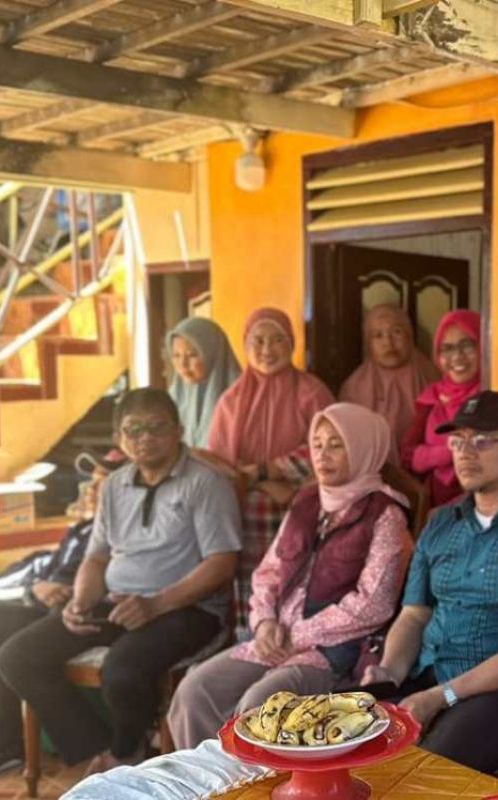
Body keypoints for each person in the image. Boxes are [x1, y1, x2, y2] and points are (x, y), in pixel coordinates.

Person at [0, 388, 242, 774]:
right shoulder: (114, 486)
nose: (145, 437)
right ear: (119, 439)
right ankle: (102, 750)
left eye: (156, 427)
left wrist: (157, 604)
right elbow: (96, 556)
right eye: (134, 429)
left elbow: (222, 563)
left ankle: (127, 752)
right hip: (117, 601)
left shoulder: (205, 484)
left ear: (178, 430)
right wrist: (80, 601)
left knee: (122, 669)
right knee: (17, 656)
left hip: (186, 609)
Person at [356, 390, 498, 774]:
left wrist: (439, 697)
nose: (465, 452)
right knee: (329, 737)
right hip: (432, 676)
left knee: (421, 774)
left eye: (481, 441)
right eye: (457, 441)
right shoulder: (441, 523)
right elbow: (414, 615)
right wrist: (390, 672)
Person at [166, 403, 413, 749]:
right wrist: (265, 622)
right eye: (317, 444)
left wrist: (297, 634)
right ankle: (212, 788)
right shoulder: (307, 501)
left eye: (336, 444)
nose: (323, 455)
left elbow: (373, 604)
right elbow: (269, 570)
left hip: (333, 649)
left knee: (261, 705)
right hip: (274, 638)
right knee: (195, 691)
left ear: (363, 448)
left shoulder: (385, 515)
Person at [0, 470, 107, 779]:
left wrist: (69, 594)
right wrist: (36, 585)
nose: (91, 489)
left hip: (65, 613)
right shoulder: (79, 530)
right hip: (35, 602)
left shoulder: (117, 533)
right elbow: (14, 573)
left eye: (102, 482)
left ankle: (3, 743)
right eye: (91, 482)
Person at [203, 307, 336, 638]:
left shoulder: (312, 392)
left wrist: (265, 473)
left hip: (303, 505)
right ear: (245, 346)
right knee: (252, 593)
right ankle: (250, 641)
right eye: (258, 340)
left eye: (277, 339)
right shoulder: (230, 401)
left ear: (291, 343)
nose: (267, 349)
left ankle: (298, 640)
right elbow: (222, 467)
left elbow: (329, 447)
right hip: (246, 514)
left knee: (295, 587)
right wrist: (265, 485)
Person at [400, 310, 481, 507]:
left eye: (467, 345)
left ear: (483, 346)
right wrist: (449, 451)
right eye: (447, 348)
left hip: (482, 503)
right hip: (437, 503)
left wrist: (430, 455)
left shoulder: (493, 396)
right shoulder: (433, 397)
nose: (457, 356)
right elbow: (408, 455)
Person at [339, 304, 440, 447]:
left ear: (409, 336)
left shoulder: (432, 378)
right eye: (378, 335)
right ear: (368, 343)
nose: (388, 343)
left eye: (396, 332)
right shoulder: (354, 389)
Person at [166, 316, 241, 449]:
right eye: (176, 356)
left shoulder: (241, 397)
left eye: (192, 355)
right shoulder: (173, 397)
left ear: (213, 354)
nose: (183, 364)